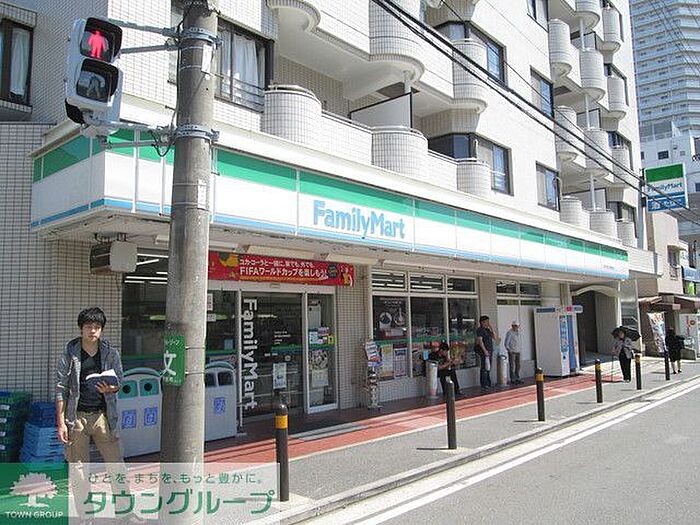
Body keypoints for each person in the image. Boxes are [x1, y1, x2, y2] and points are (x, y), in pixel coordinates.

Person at [56, 308, 142, 524]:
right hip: (76, 418)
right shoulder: (69, 354)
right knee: (79, 471)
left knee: (117, 466)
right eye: (88, 327)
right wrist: (61, 423)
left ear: (101, 330)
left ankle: (125, 514)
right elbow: (61, 389)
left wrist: (111, 389)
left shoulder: (111, 353)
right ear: (81, 329)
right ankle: (86, 517)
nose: (92, 331)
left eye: (96, 327)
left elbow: (119, 381)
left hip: (104, 417)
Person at [476, 316, 497, 389]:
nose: (488, 323)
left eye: (488, 322)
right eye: (486, 322)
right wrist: (484, 350)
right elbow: (480, 341)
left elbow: (494, 337)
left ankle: (488, 382)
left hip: (490, 349)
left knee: (488, 367)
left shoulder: (487, 330)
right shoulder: (480, 330)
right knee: (484, 367)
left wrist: (491, 328)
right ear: (482, 322)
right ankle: (484, 384)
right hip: (485, 351)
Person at [504, 320, 522, 384]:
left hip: (518, 351)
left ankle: (517, 378)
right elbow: (506, 343)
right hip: (512, 351)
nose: (516, 327)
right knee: (512, 366)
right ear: (512, 326)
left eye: (517, 326)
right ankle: (513, 379)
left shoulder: (519, 332)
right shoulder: (509, 333)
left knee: (518, 365)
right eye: (515, 326)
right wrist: (509, 350)